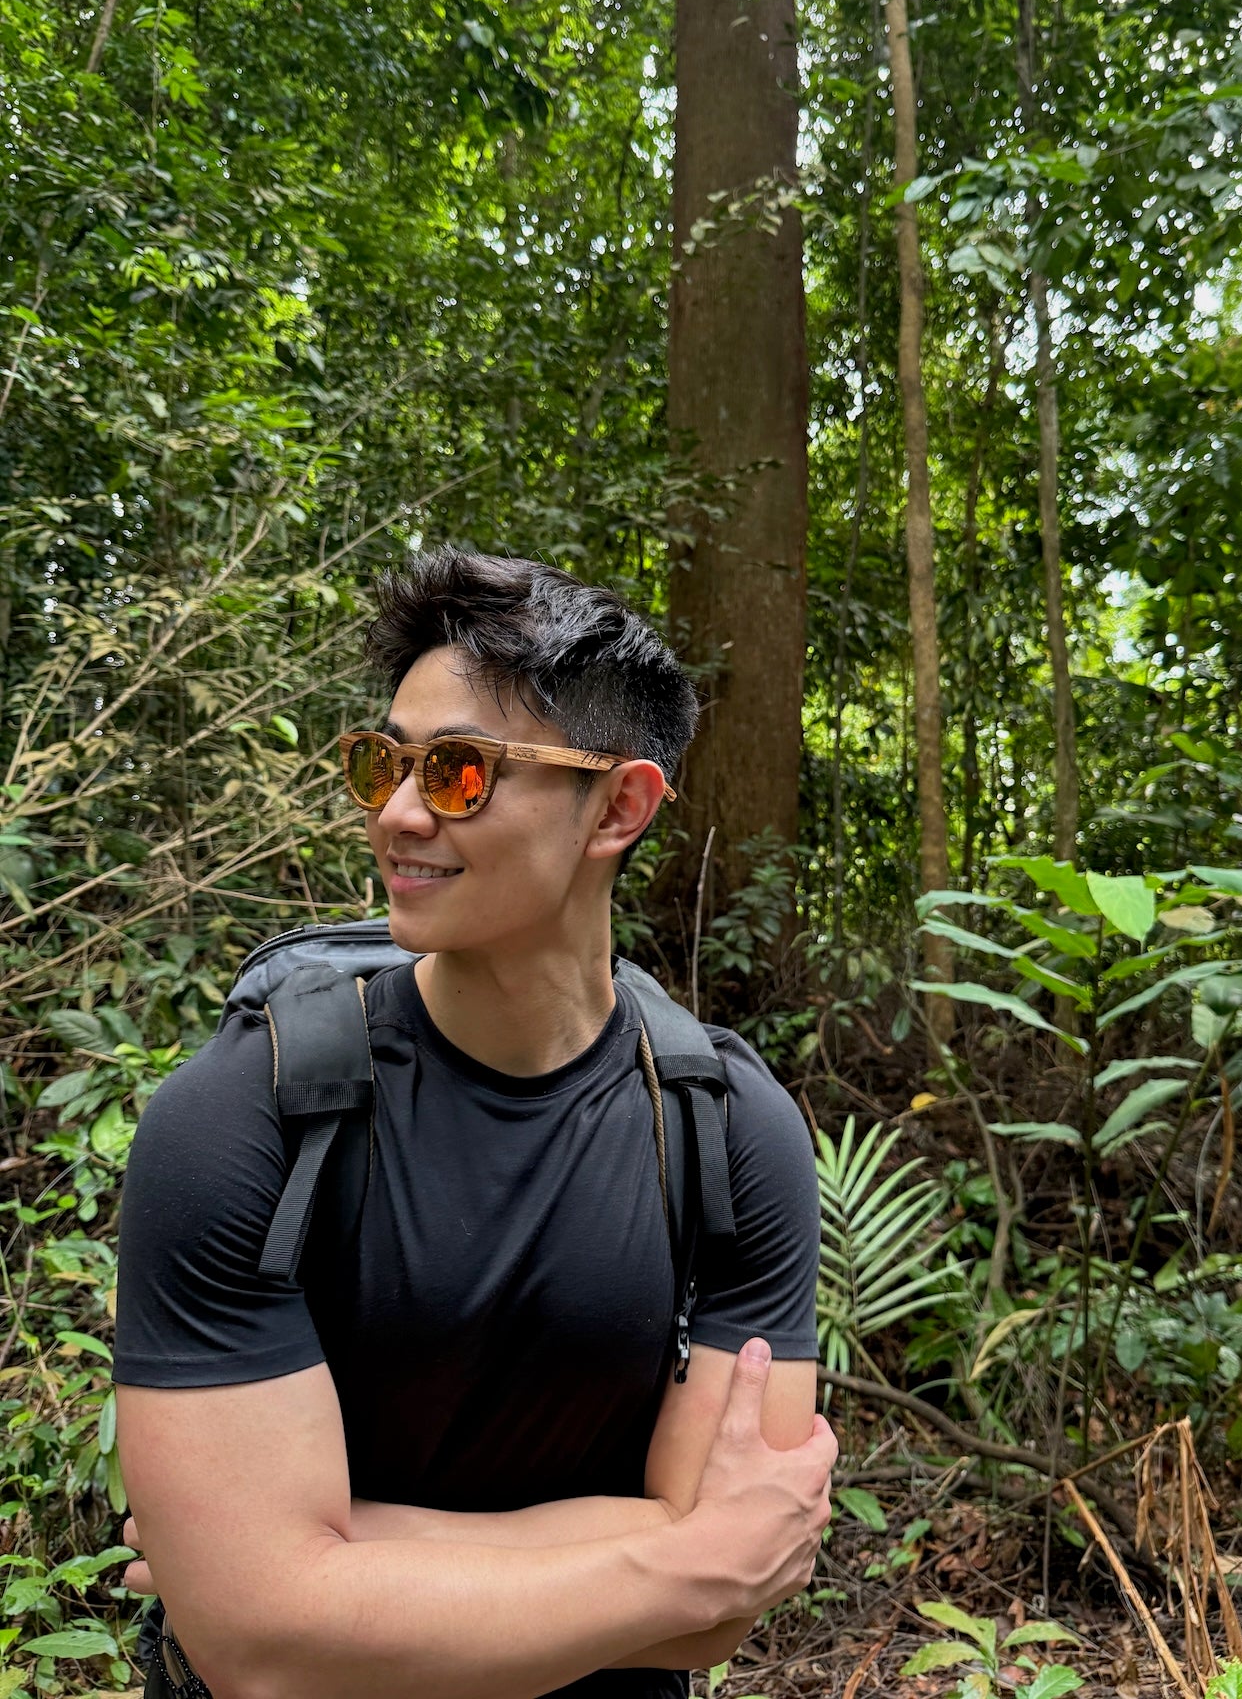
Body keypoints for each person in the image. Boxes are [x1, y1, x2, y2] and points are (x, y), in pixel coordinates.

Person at [114, 548, 835, 1699]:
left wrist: (330, 1563)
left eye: (458, 773)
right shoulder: (242, 1118)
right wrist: (677, 1558)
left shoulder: (731, 1132)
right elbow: (256, 1643)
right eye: (384, 763)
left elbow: (721, 1611)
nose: (397, 813)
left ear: (620, 806)